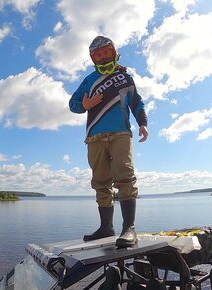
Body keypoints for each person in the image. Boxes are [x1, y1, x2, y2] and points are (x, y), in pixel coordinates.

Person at [69, 35, 148, 247]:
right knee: (101, 181)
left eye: (107, 52)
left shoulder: (125, 78)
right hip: (94, 136)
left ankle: (129, 229)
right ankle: (106, 228)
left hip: (121, 133)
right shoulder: (88, 80)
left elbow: (136, 102)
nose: (104, 57)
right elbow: (73, 104)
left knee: (124, 175)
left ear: (114, 52)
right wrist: (85, 104)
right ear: (93, 59)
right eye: (99, 55)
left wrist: (142, 122)